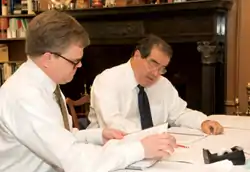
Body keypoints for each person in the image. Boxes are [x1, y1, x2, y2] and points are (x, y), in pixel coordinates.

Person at [0, 11, 177, 172]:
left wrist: (98, 136)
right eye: (74, 61)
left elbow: (62, 136)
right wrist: (140, 149)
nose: (79, 65)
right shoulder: (26, 96)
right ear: (48, 58)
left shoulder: (46, 84)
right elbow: (74, 159)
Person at [88, 34, 224, 135]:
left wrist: (202, 122)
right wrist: (152, 137)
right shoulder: (108, 80)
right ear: (137, 55)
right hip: (109, 153)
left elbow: (179, 113)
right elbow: (112, 124)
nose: (155, 73)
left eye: (162, 68)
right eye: (153, 64)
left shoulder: (162, 84)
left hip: (151, 152)